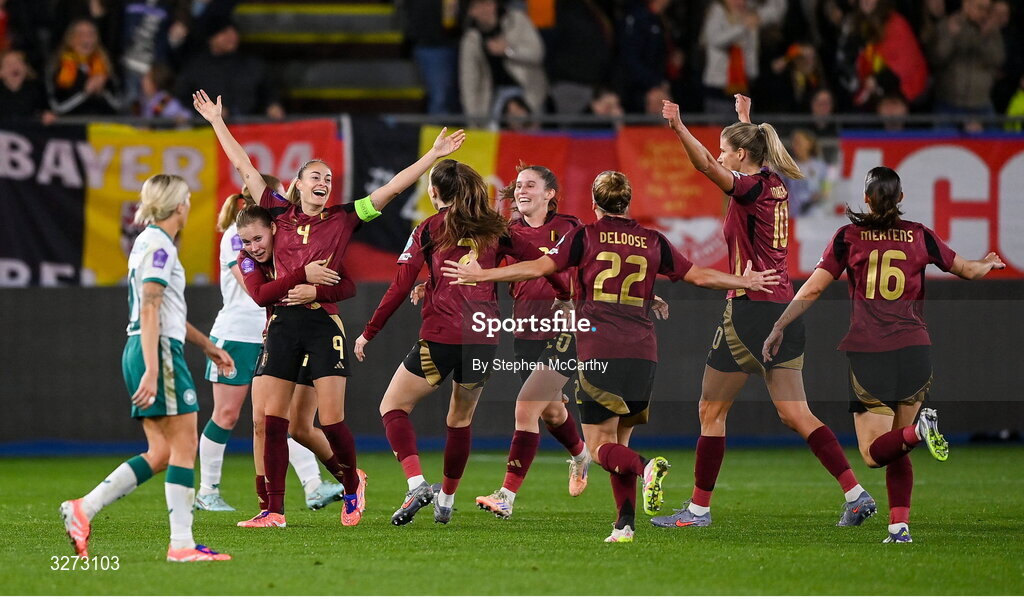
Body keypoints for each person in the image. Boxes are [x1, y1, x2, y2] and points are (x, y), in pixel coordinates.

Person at [443, 170, 780, 542]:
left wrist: (481, 276)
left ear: (593, 202)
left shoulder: (583, 235)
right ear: (628, 201)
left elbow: (540, 267)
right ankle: (624, 525)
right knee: (614, 438)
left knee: (601, 446)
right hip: (643, 353)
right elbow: (698, 275)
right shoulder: (653, 240)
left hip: (597, 347)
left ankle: (645, 467)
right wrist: (744, 282)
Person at [196, 88, 465, 527]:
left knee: (331, 419)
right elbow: (244, 164)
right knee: (273, 419)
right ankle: (273, 511)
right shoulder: (276, 212)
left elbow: (392, 189)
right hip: (283, 323)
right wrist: (216, 122)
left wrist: (432, 156)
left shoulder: (344, 216)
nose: (323, 183)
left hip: (324, 324)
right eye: (315, 177)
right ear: (298, 183)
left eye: (327, 179)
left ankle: (351, 484)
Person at [651, 96, 876, 530]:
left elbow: (705, 167)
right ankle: (855, 492)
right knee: (795, 414)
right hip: (784, 310)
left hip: (750, 310)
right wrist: (745, 122)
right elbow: (753, 154)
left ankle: (697, 511)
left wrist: (679, 127)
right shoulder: (774, 182)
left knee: (710, 411)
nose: (718, 154)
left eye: (725, 148)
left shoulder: (749, 186)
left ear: (740, 156)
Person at [762, 166, 1005, 543]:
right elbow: (968, 271)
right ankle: (899, 527)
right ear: (901, 199)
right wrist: (986, 264)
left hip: (870, 352)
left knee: (875, 453)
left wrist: (779, 324)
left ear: (867, 198)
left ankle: (919, 432)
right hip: (915, 351)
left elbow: (811, 290)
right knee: (898, 445)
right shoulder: (920, 236)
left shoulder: (849, 237)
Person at [354, 159, 570, 526]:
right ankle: (446, 502)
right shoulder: (495, 228)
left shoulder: (429, 228)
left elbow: (399, 286)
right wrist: (564, 294)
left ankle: (417, 483)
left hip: (441, 336)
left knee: (392, 406)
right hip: (483, 338)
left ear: (434, 192)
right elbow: (542, 262)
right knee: (460, 418)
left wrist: (368, 332)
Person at [60, 174, 233, 562]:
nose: (189, 206)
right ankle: (182, 545)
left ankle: (83, 508)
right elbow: (152, 308)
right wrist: (154, 370)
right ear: (177, 206)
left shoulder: (147, 242)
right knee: (185, 444)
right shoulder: (160, 246)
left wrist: (208, 347)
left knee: (162, 451)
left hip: (143, 345)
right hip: (155, 350)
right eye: (186, 199)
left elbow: (162, 309)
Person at [194, 176, 347, 514]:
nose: (282, 202)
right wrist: (302, 276)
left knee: (276, 419)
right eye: (276, 195)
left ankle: (312, 484)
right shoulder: (239, 239)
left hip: (273, 333)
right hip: (236, 334)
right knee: (229, 414)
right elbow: (258, 292)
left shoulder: (281, 233)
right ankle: (207, 489)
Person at [232, 203, 360, 525]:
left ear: (275, 228)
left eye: (257, 239)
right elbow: (261, 295)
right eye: (245, 242)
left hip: (318, 331)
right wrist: (301, 278)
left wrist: (314, 289)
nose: (252, 248)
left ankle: (351, 484)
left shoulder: (306, 245)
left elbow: (347, 285)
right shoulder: (248, 259)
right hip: (282, 334)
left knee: (312, 423)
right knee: (266, 422)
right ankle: (271, 508)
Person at [473, 164, 589, 519]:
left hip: (567, 329)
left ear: (550, 194)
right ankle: (582, 455)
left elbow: (596, 266)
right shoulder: (508, 233)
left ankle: (507, 494)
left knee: (526, 408)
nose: (521, 190)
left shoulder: (570, 228)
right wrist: (426, 282)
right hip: (525, 331)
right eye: (518, 185)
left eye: (531, 185)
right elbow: (476, 265)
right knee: (551, 410)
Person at [459, 0, 547, 124]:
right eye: (477, 6)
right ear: (470, 12)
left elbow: (537, 54)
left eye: (487, 3)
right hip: (493, 98)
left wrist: (507, 50)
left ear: (495, 4)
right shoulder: (471, 40)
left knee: (523, 119)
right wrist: (473, 119)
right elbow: (469, 81)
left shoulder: (517, 20)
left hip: (528, 91)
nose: (484, 9)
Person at [46, 18, 120, 115]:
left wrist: (102, 91)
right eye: (80, 34)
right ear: (70, 39)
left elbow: (119, 105)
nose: (86, 38)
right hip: (72, 127)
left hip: (102, 126)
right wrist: (85, 92)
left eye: (91, 34)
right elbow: (56, 107)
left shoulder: (105, 65)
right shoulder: (58, 66)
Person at [0, 49, 56, 124]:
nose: (14, 66)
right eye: (9, 64)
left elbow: (47, 111)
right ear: (1, 72)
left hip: (30, 133)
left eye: (19, 62)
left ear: (26, 68)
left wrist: (47, 115)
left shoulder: (37, 89)